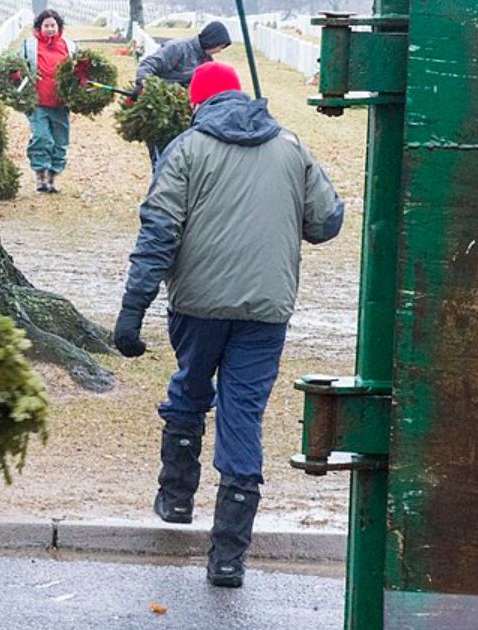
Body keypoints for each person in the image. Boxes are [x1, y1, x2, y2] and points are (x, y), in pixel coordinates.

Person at [113, 62, 344, 589]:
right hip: (266, 310)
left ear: (199, 104)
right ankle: (227, 559)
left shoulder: (187, 150)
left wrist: (133, 309)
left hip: (196, 306)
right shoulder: (290, 146)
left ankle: (175, 501)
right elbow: (326, 223)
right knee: (243, 416)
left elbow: (159, 231)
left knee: (191, 388)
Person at [134, 21, 232, 168]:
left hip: (182, 116)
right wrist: (147, 87)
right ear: (212, 40)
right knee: (162, 160)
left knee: (178, 161)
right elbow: (147, 65)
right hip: (161, 111)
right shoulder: (178, 48)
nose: (219, 51)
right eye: (220, 46)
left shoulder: (207, 61)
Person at [19, 9, 77, 194]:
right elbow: (18, 66)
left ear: (59, 26)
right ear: (39, 27)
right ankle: (41, 176)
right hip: (38, 103)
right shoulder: (30, 45)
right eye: (46, 25)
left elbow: (79, 69)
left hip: (61, 104)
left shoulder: (69, 46)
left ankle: (53, 177)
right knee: (41, 138)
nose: (50, 29)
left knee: (60, 142)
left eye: (53, 25)